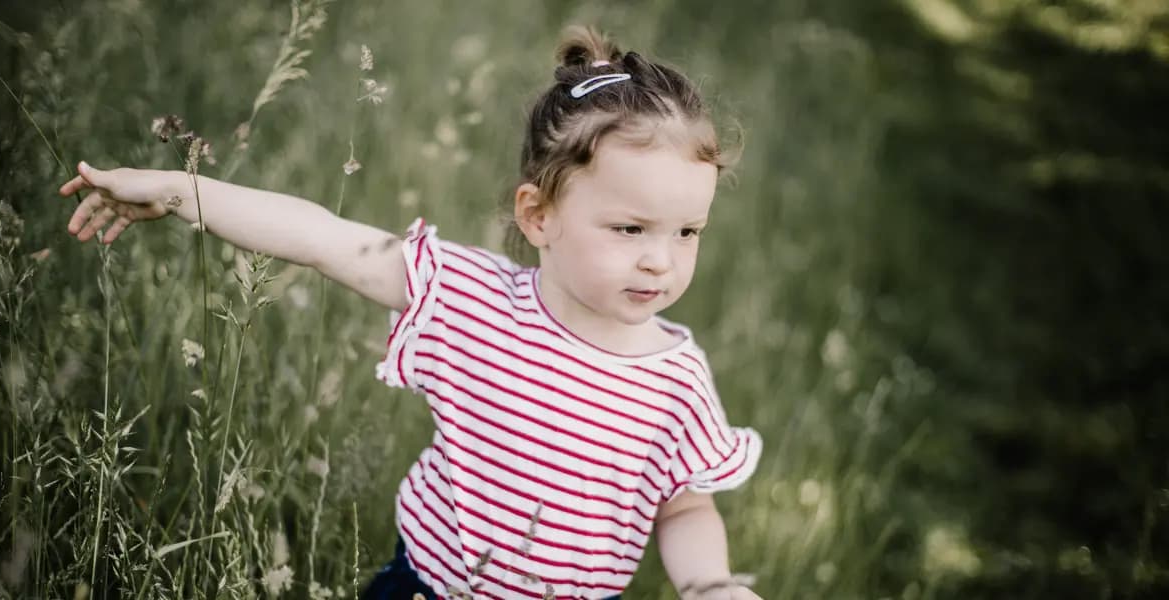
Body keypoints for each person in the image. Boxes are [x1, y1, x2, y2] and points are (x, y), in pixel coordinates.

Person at [57, 25, 763, 600]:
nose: (661, 260)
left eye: (687, 232)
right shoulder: (471, 297)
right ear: (539, 215)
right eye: (630, 229)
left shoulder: (676, 379)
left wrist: (709, 585)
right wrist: (180, 190)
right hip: (425, 588)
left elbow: (683, 504)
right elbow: (321, 238)